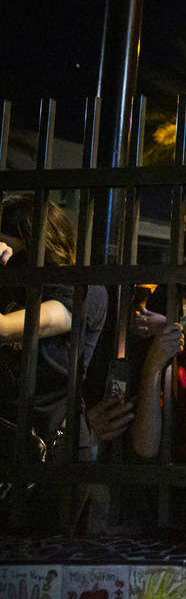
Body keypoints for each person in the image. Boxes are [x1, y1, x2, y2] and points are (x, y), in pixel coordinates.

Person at [0, 195, 108, 532]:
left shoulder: (82, 290)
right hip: (6, 438)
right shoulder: (11, 289)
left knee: (42, 562)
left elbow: (6, 329)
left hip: (54, 448)